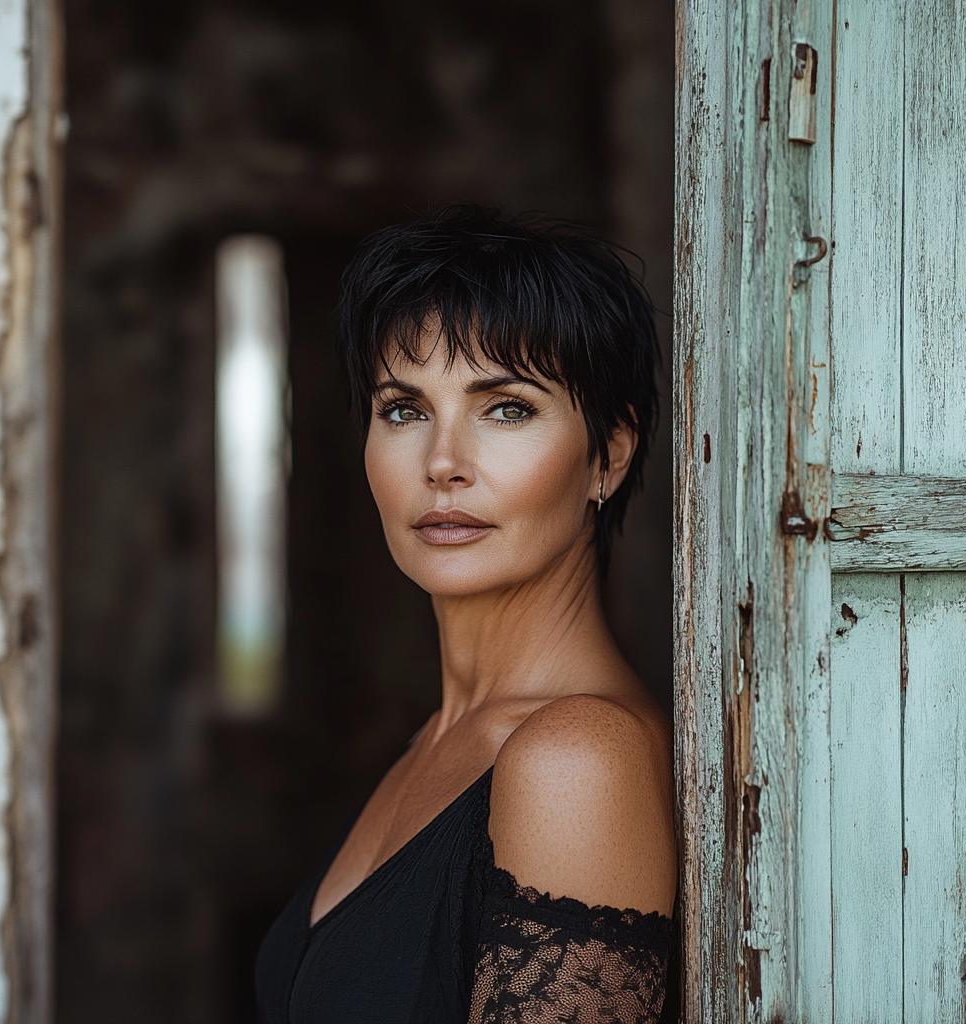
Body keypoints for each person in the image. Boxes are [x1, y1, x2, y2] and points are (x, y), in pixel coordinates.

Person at [256, 205, 677, 1024]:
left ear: (608, 457)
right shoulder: (441, 737)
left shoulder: (576, 760)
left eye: (506, 407)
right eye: (404, 409)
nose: (443, 463)